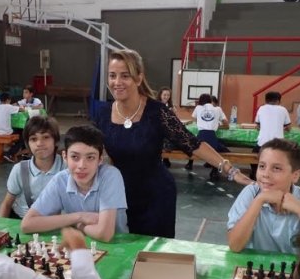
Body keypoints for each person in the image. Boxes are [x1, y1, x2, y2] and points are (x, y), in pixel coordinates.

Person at [95, 49, 253, 238]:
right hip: (119, 195)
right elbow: (98, 153)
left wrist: (230, 170)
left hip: (155, 196)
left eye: (125, 76)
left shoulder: (158, 112)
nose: (117, 82)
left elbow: (193, 143)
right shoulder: (103, 113)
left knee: (153, 256)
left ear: (138, 79)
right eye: (112, 76)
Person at [21, 125, 128, 242]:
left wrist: (80, 226)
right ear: (65, 156)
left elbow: (105, 234)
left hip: (118, 245)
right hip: (81, 244)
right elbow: (27, 224)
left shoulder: (110, 176)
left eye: (90, 157)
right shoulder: (60, 180)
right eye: (75, 157)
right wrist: (79, 217)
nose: (82, 165)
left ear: (100, 159)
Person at [227, 138, 300, 254]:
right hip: (256, 267)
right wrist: (259, 200)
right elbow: (235, 245)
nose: (265, 174)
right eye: (262, 166)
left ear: (295, 175)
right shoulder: (251, 193)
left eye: (276, 168)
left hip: (295, 270)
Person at [0, 116, 66, 219]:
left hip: (57, 223)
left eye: (46, 137)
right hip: (23, 222)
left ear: (55, 141)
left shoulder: (67, 167)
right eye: (33, 139)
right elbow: (7, 204)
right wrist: (1, 229)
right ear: (28, 144)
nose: (39, 143)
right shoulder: (20, 169)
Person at [188, 93, 231, 179]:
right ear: (211, 101)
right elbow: (226, 124)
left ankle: (189, 163)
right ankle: (215, 170)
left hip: (201, 136)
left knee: (194, 145)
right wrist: (216, 124)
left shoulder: (198, 108)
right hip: (212, 136)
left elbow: (195, 119)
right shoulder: (218, 109)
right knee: (222, 149)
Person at [250, 91, 291, 179]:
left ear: (266, 100)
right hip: (278, 144)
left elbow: (257, 126)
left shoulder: (261, 108)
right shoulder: (283, 109)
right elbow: (288, 127)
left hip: (262, 143)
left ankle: (254, 173)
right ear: (278, 101)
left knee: (253, 155)